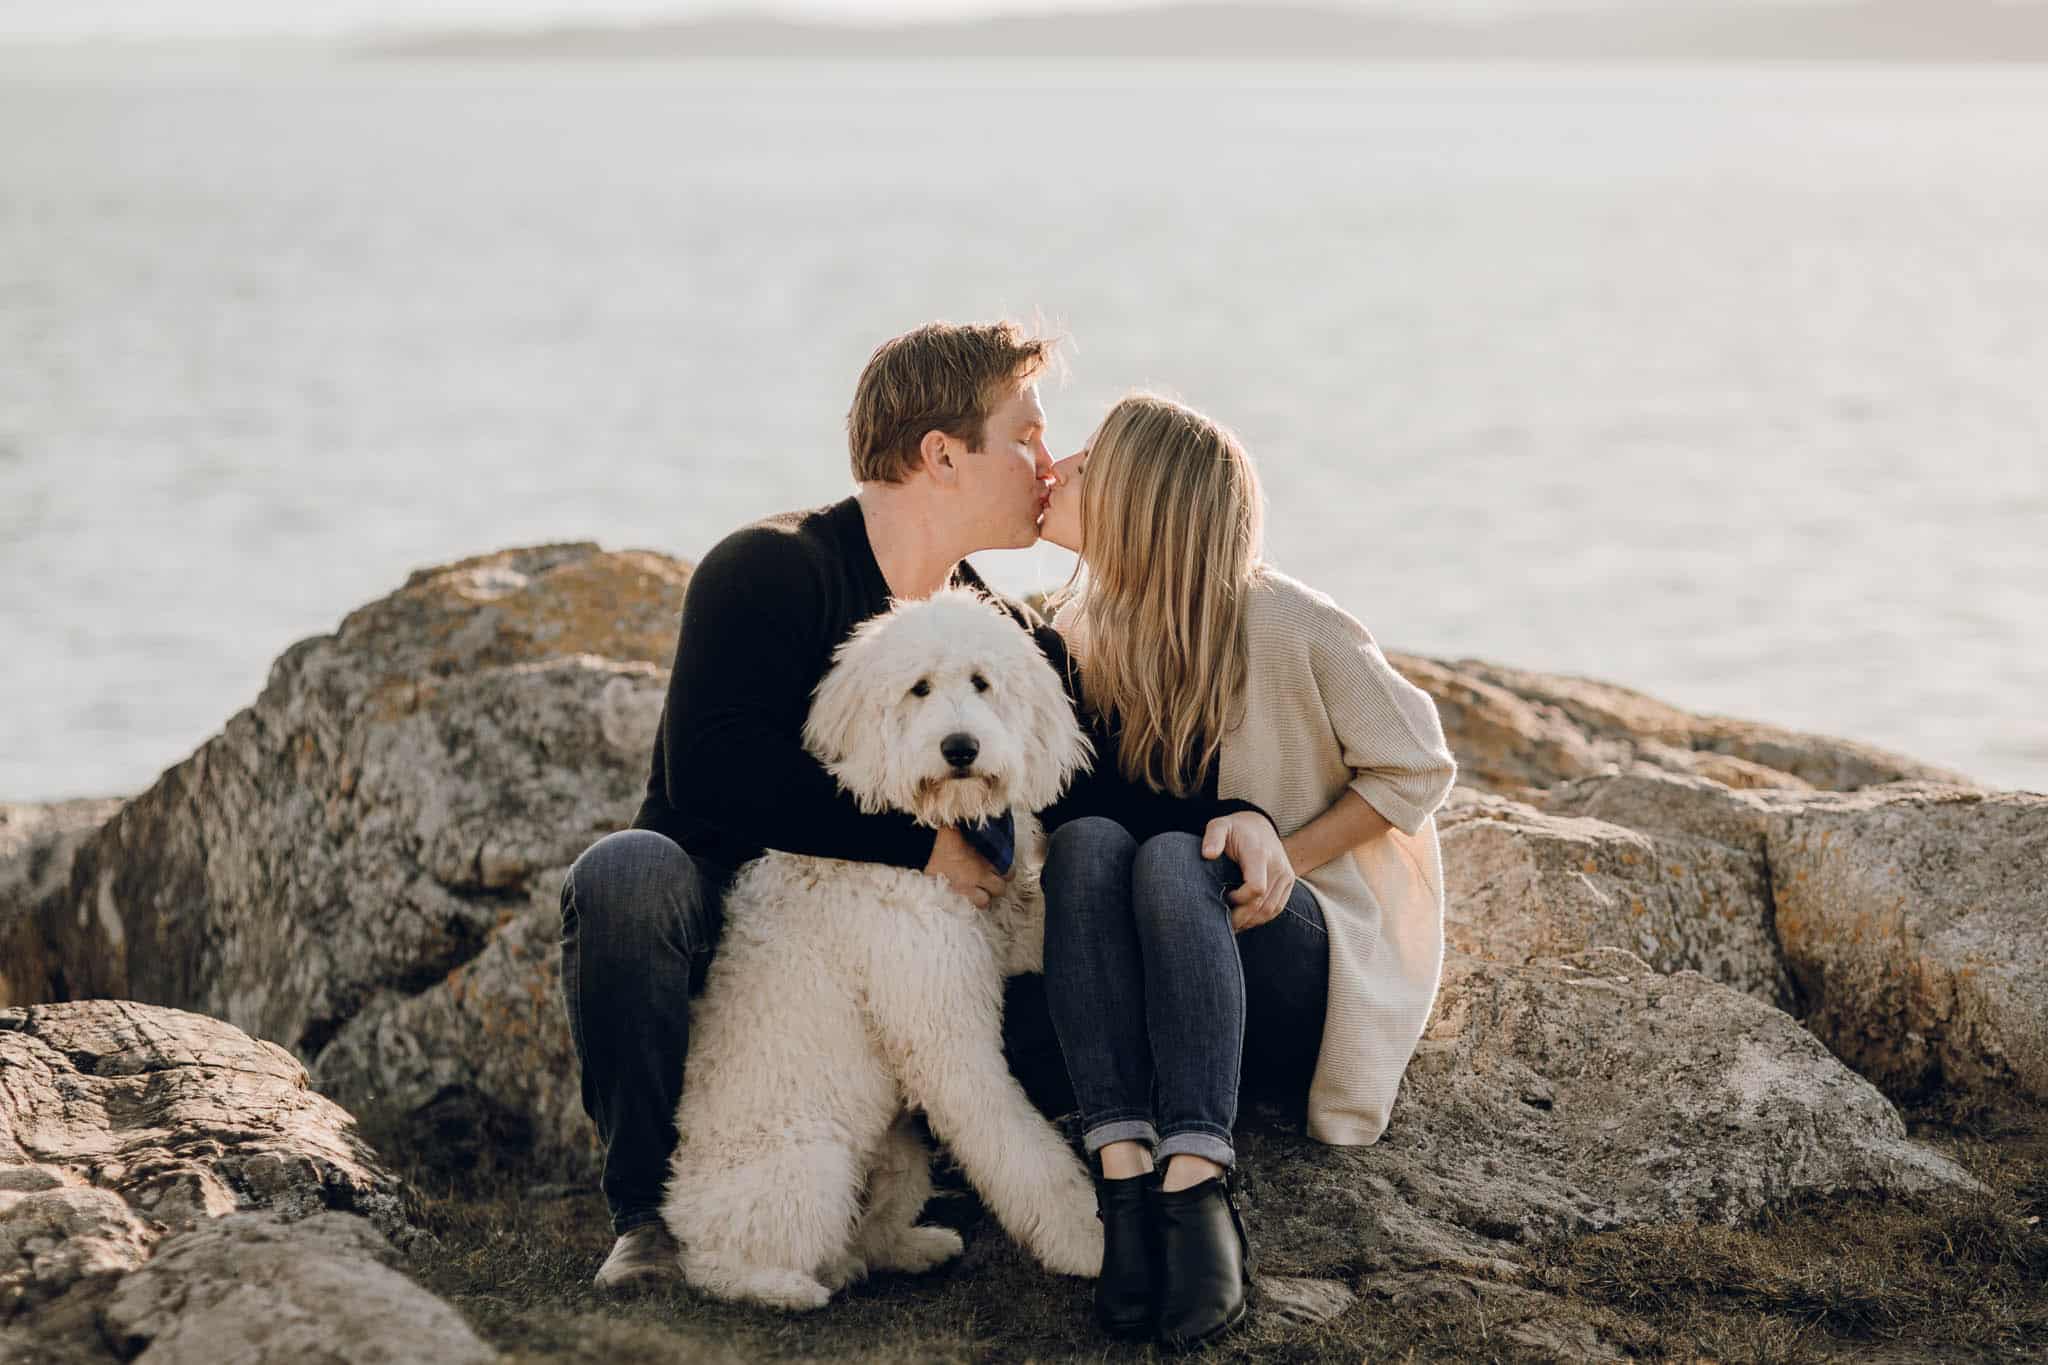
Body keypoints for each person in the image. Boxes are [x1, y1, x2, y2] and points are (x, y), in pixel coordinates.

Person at [558, 320, 1079, 1290]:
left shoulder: (985, 630)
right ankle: (645, 1220)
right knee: (623, 876)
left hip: (894, 962)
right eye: (1026, 436)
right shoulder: (766, 569)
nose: (1046, 463)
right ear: (942, 456)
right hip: (733, 928)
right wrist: (921, 849)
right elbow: (710, 773)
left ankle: (928, 1180)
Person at [1033, 393, 1459, 1350]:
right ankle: (1127, 1178)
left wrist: (1286, 856)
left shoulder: (1288, 621)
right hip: (1160, 980)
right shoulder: (1078, 630)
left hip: (1286, 968)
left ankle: (1199, 1190)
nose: (1056, 467)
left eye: (1089, 463)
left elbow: (1418, 765)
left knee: (1183, 859)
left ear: (1144, 498)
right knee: (1096, 847)